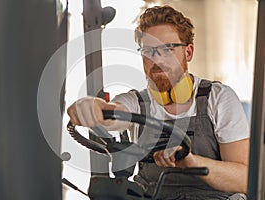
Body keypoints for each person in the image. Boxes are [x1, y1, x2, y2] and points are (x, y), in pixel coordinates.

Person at [67, 5, 250, 200]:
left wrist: (190, 161)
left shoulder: (218, 98)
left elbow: (244, 179)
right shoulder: (136, 102)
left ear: (188, 53)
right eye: (148, 50)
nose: (157, 58)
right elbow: (114, 114)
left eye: (168, 48)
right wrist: (91, 107)